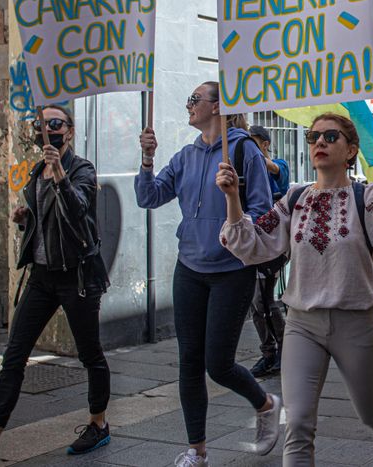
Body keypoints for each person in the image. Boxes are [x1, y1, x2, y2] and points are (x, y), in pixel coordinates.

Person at [217, 113, 373, 467]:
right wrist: (233, 197)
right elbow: (253, 243)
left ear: (351, 151)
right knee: (297, 424)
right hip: (302, 324)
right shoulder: (294, 198)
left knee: (371, 412)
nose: (319, 143)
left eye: (331, 136)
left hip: (356, 323)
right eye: (313, 136)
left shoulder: (368, 195)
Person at [0, 107, 111, 467]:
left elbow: (79, 210)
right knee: (14, 356)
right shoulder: (36, 171)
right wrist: (25, 219)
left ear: (69, 130)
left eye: (55, 124)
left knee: (90, 354)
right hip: (42, 277)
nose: (47, 129)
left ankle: (99, 424)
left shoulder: (82, 170)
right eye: (42, 124)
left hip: (77, 277)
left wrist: (61, 175)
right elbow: (46, 219)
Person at [135, 82, 280, 466]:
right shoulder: (185, 156)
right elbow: (148, 197)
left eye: (194, 99)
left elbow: (263, 212)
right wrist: (147, 160)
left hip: (232, 270)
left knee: (218, 363)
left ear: (219, 106)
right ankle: (196, 450)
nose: (188, 105)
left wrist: (234, 197)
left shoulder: (244, 150)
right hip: (189, 270)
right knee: (189, 361)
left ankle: (265, 403)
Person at [244, 125, 291, 378]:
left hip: (273, 247)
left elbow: (274, 169)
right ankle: (268, 352)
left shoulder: (278, 166)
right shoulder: (247, 171)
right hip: (252, 245)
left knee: (265, 299)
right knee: (256, 302)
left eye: (252, 143)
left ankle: (283, 350)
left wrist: (249, 154)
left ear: (264, 144)